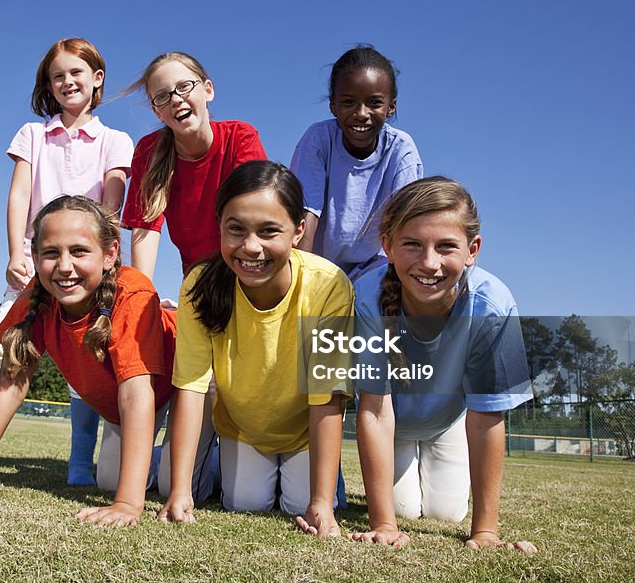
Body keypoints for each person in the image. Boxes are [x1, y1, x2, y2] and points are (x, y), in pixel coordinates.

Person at [0, 196, 212, 526]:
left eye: (78, 251)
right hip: (132, 403)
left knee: (181, 486)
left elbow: (136, 394)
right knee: (108, 479)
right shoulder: (38, 298)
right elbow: (9, 390)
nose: (64, 266)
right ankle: (163, 461)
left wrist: (127, 504)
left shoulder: (132, 291)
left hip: (187, 389)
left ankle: (219, 453)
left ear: (109, 255)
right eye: (51, 253)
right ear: (34, 257)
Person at [0, 38, 134, 486]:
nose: (67, 82)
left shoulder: (115, 140)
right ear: (48, 85)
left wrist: (103, 262)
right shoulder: (32, 135)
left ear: (97, 79)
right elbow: (19, 196)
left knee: (86, 360)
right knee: (2, 355)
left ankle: (80, 465)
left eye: (76, 73)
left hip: (85, 272)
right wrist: (16, 251)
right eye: (57, 76)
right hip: (36, 264)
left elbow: (112, 206)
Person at [158, 161, 353, 538]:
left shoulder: (328, 286)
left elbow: (328, 396)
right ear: (219, 225)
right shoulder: (199, 284)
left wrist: (321, 503)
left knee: (302, 506)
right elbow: (191, 386)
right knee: (244, 501)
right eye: (236, 230)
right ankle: (195, 463)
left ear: (297, 232)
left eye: (268, 232)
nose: (250, 247)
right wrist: (179, 491)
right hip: (242, 427)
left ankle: (316, 484)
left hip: (303, 432)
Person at [351, 176, 537, 552]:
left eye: (446, 246)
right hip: (395, 425)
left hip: (448, 422)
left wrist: (485, 532)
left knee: (445, 514)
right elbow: (374, 410)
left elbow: (486, 415)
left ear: (473, 249)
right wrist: (383, 523)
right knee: (402, 511)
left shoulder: (492, 304)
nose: (429, 263)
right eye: (412, 245)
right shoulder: (366, 298)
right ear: (387, 245)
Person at [121, 52, 267, 278]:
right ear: (157, 112)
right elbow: (145, 228)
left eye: (184, 86)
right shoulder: (149, 152)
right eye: (163, 96)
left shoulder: (240, 137)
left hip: (250, 269)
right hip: (202, 284)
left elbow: (253, 216)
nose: (176, 99)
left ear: (208, 90)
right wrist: (141, 295)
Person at [289, 44, 423, 283]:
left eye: (374, 103)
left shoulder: (400, 150)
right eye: (349, 102)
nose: (361, 113)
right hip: (318, 267)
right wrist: (302, 281)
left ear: (391, 106)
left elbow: (406, 223)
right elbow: (306, 212)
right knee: (312, 319)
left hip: (376, 271)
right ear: (333, 105)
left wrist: (398, 283)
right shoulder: (318, 140)